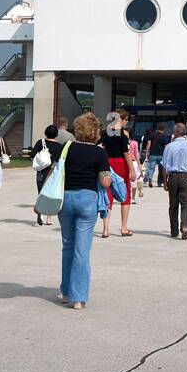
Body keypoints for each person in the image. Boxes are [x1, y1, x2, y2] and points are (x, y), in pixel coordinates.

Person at [58, 112, 112, 309]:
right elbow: (105, 181)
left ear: (78, 130)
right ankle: (78, 297)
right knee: (82, 250)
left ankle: (65, 291)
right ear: (96, 132)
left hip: (66, 198)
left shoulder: (67, 147)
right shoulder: (99, 153)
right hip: (87, 199)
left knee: (67, 246)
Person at [162, 122, 187, 239]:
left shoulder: (169, 147)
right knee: (186, 204)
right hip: (186, 178)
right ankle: (184, 226)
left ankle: (174, 231)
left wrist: (165, 182)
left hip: (173, 178)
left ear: (175, 133)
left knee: (173, 205)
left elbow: (164, 167)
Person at [101, 108, 136, 238]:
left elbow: (103, 147)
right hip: (120, 164)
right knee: (125, 193)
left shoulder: (105, 132)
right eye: (127, 120)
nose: (127, 122)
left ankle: (105, 229)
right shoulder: (123, 134)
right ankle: (124, 227)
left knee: (107, 194)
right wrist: (132, 169)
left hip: (107, 163)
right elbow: (126, 153)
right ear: (121, 119)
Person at [31, 124, 63, 227]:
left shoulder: (41, 142)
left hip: (41, 171)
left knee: (40, 192)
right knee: (50, 193)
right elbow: (59, 161)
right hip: (52, 172)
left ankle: (40, 214)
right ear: (56, 134)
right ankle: (49, 218)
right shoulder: (59, 146)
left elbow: (32, 154)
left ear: (46, 133)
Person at [145, 123, 168, 187]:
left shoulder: (152, 135)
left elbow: (148, 144)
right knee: (161, 169)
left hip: (153, 154)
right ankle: (159, 183)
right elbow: (166, 147)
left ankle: (150, 178)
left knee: (151, 168)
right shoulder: (164, 137)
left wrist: (147, 152)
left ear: (158, 128)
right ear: (164, 129)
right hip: (161, 155)